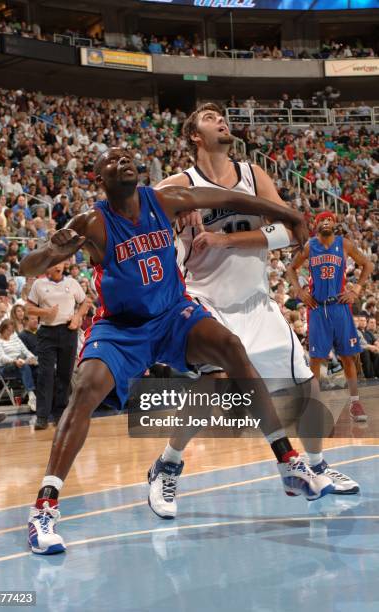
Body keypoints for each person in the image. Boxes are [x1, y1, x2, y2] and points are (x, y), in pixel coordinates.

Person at [19, 146, 331, 556]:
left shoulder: (163, 200)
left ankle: (287, 461)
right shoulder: (91, 222)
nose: (123, 161)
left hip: (171, 315)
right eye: (111, 161)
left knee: (231, 348)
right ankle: (44, 507)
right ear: (100, 179)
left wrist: (287, 213)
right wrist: (49, 250)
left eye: (127, 157)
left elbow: (231, 198)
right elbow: (29, 265)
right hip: (123, 328)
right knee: (85, 390)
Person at [147, 103, 359, 521]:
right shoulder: (179, 183)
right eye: (210, 117)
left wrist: (225, 240)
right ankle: (166, 465)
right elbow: (140, 219)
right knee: (217, 384)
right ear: (194, 135)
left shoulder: (252, 174)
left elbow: (286, 230)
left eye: (223, 116)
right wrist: (173, 208)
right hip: (204, 298)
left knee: (307, 388)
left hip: (256, 300)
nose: (221, 120)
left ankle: (314, 466)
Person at [287, 211, 373, 422]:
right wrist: (299, 290)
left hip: (340, 307)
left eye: (329, 220)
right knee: (316, 359)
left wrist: (356, 289)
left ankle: (355, 403)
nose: (326, 222)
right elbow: (291, 268)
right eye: (321, 220)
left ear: (335, 224)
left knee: (347, 357)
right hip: (317, 308)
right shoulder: (310, 246)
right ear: (316, 225)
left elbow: (368, 265)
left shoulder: (344, 244)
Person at [26, 263, 89, 430]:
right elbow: (28, 308)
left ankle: (60, 414)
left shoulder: (72, 283)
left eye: (60, 263)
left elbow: (85, 303)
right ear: (47, 267)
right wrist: (45, 313)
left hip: (68, 331)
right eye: (54, 264)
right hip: (47, 332)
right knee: (45, 374)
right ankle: (42, 416)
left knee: (65, 375)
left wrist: (77, 317)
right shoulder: (39, 284)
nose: (57, 267)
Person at [0, 319, 37, 412]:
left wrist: (32, 358)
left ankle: (41, 396)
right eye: (8, 330)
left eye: (12, 331)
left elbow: (25, 351)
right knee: (24, 366)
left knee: (38, 367)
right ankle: (31, 395)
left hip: (19, 362)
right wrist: (14, 361)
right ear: (2, 329)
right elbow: (2, 357)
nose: (10, 333)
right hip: (4, 367)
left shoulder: (15, 337)